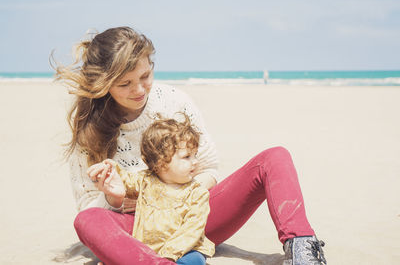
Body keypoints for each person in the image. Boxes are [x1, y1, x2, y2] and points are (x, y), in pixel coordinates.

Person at [54, 26, 326, 265]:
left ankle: (303, 250)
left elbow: (209, 169)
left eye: (145, 76)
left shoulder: (174, 101)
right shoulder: (88, 128)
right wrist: (113, 198)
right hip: (135, 231)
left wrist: (168, 193)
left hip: (193, 218)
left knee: (275, 157)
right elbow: (89, 207)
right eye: (125, 84)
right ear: (104, 85)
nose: (139, 90)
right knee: (86, 222)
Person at [87, 114, 214, 264]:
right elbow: (125, 179)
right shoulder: (146, 180)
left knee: (195, 260)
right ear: (161, 162)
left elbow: (192, 230)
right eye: (187, 157)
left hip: (185, 250)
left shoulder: (197, 193)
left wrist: (168, 255)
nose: (195, 162)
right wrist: (110, 170)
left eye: (195, 155)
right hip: (148, 251)